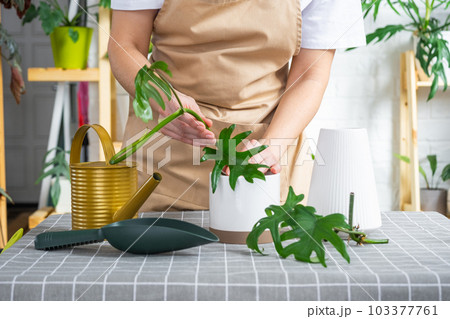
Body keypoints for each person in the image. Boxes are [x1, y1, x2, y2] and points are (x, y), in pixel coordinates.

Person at [108, 0, 366, 211]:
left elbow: (310, 75)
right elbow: (124, 44)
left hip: (267, 157)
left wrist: (272, 148)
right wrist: (161, 97)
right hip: (165, 150)